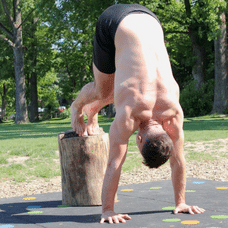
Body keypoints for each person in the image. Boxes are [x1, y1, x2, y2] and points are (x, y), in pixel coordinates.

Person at [71, 3, 205, 224]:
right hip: (113, 21)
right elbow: (114, 162)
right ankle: (78, 107)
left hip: (149, 18)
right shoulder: (129, 115)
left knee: (117, 90)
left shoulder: (173, 113)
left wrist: (181, 202)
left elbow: (178, 159)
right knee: (102, 89)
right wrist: (107, 210)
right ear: (140, 139)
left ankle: (93, 110)